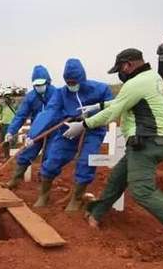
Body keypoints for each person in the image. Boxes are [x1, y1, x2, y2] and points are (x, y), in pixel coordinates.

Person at [63, 48, 163, 262]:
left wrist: (83, 125)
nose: (120, 73)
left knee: (142, 191)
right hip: (153, 141)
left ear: (128, 65)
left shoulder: (136, 83)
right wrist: (96, 106)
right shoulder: (151, 78)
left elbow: (115, 111)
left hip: (146, 143)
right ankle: (96, 213)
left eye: (120, 68)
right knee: (117, 179)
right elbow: (120, 102)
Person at [27, 59, 114, 209]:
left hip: (93, 129)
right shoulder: (61, 93)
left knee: (86, 161)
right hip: (69, 128)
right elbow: (49, 112)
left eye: (74, 82)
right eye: (68, 82)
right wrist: (33, 135)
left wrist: (91, 116)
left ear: (82, 78)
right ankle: (44, 195)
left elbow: (111, 109)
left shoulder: (101, 89)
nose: (71, 85)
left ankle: (76, 199)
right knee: (53, 158)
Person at [3, 65, 57, 189]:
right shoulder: (31, 97)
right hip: (36, 131)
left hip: (54, 130)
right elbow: (21, 115)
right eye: (36, 85)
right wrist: (11, 131)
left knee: (49, 155)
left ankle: (43, 183)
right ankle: (15, 180)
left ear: (48, 81)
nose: (39, 87)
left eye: (41, 84)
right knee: (26, 153)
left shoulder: (56, 94)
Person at [0, 92, 17, 159]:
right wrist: (0, 120)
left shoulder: (15, 104)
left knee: (13, 141)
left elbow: (19, 113)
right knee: (5, 141)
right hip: (4, 125)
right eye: (6, 97)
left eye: (8, 97)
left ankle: (13, 156)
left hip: (13, 125)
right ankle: (6, 156)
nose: (7, 99)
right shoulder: (2, 105)